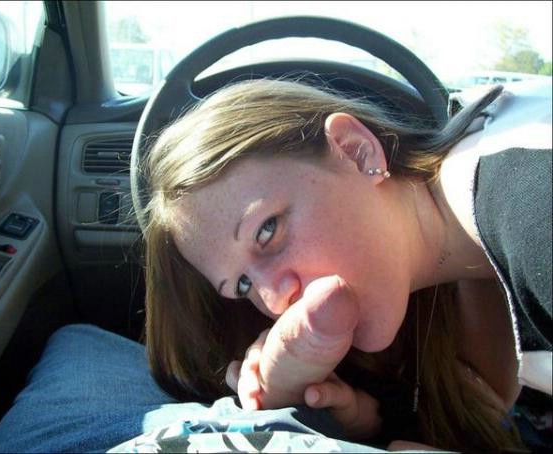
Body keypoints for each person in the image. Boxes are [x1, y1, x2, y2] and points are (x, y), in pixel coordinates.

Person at [138, 77, 552, 451]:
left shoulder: (535, 212)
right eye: (243, 285)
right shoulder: (470, 247)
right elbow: (486, 404)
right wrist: (365, 421)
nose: (275, 299)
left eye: (267, 230)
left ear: (355, 150)